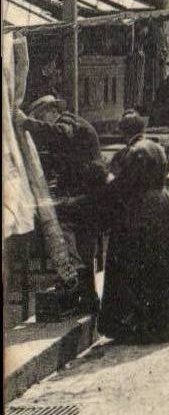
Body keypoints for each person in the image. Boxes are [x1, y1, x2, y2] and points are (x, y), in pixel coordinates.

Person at [95, 111, 169, 344]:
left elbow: (123, 185)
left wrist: (104, 185)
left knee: (137, 264)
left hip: (140, 211)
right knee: (164, 262)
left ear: (124, 132)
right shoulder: (156, 146)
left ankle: (142, 327)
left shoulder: (130, 153)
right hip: (163, 204)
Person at [24, 95, 108, 288]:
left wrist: (28, 123)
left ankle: (74, 272)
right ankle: (85, 293)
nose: (41, 122)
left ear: (52, 112)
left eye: (41, 117)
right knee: (85, 239)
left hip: (87, 189)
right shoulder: (73, 124)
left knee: (62, 220)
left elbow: (60, 133)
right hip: (91, 190)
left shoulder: (67, 122)